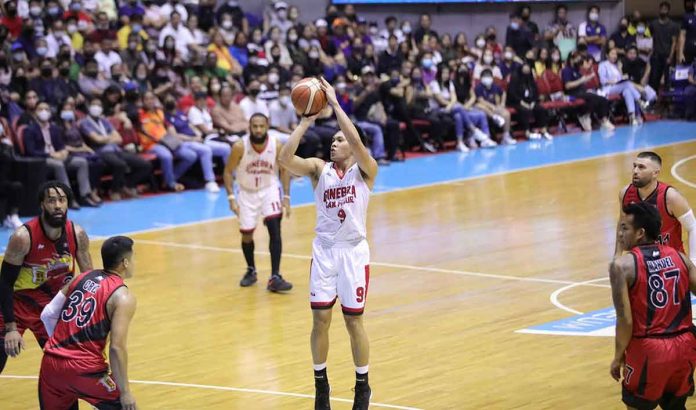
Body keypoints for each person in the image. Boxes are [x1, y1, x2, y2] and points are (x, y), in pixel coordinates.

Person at [278, 78, 375, 410]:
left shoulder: (365, 171)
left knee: (353, 321)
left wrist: (334, 104)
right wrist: (305, 121)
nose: (334, 143)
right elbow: (285, 158)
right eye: (332, 140)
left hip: (353, 252)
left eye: (339, 140)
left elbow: (356, 140)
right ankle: (321, 385)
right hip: (324, 252)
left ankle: (362, 386)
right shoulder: (320, 170)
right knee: (320, 320)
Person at [609, 202, 696, 410]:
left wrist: (618, 355)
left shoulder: (622, 266)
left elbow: (625, 320)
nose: (619, 234)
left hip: (649, 349)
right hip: (684, 346)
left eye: (624, 228)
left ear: (640, 233)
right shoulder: (680, 257)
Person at [0, 182, 92, 373]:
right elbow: (5, 283)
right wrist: (10, 328)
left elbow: (88, 282)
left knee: (66, 369)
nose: (57, 205)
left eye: (62, 200)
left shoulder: (77, 234)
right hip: (17, 305)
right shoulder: (23, 237)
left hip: (51, 310)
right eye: (51, 201)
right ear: (42, 205)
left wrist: (88, 320)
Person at [39, 236, 137, 410]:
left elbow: (48, 314)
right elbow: (116, 348)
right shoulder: (123, 296)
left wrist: (61, 346)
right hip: (85, 370)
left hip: (50, 364)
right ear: (125, 262)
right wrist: (126, 391)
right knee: (124, 406)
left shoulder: (81, 278)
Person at [223, 113, 293, 292]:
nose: (258, 130)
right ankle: (251, 270)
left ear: (267, 126)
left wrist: (286, 196)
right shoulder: (240, 146)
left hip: (269, 190)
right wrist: (231, 197)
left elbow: (284, 171)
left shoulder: (276, 145)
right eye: (255, 126)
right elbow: (228, 171)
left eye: (261, 126)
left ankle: (275, 276)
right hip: (246, 193)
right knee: (247, 235)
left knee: (275, 230)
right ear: (249, 127)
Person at [614, 152, 696, 265]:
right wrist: (617, 255)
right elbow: (622, 225)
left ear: (655, 173)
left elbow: (692, 227)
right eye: (634, 166)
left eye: (641, 167)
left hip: (671, 262)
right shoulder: (625, 194)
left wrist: (694, 262)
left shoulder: (671, 197)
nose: (635, 171)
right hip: (642, 263)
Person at [507, 62, 553, 140]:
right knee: (524, 110)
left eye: (528, 70)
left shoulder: (530, 78)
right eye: (525, 70)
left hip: (530, 101)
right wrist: (522, 103)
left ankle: (543, 130)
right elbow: (512, 93)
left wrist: (533, 102)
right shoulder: (515, 78)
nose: (527, 72)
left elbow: (535, 92)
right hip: (517, 101)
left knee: (540, 109)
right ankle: (527, 132)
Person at [599, 48, 644, 125]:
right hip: (608, 88)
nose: (615, 56)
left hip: (619, 87)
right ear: (607, 55)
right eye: (612, 54)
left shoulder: (616, 66)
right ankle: (640, 101)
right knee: (627, 84)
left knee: (628, 91)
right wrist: (614, 81)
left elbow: (620, 78)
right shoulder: (603, 65)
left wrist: (621, 74)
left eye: (616, 54)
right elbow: (603, 81)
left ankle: (632, 117)